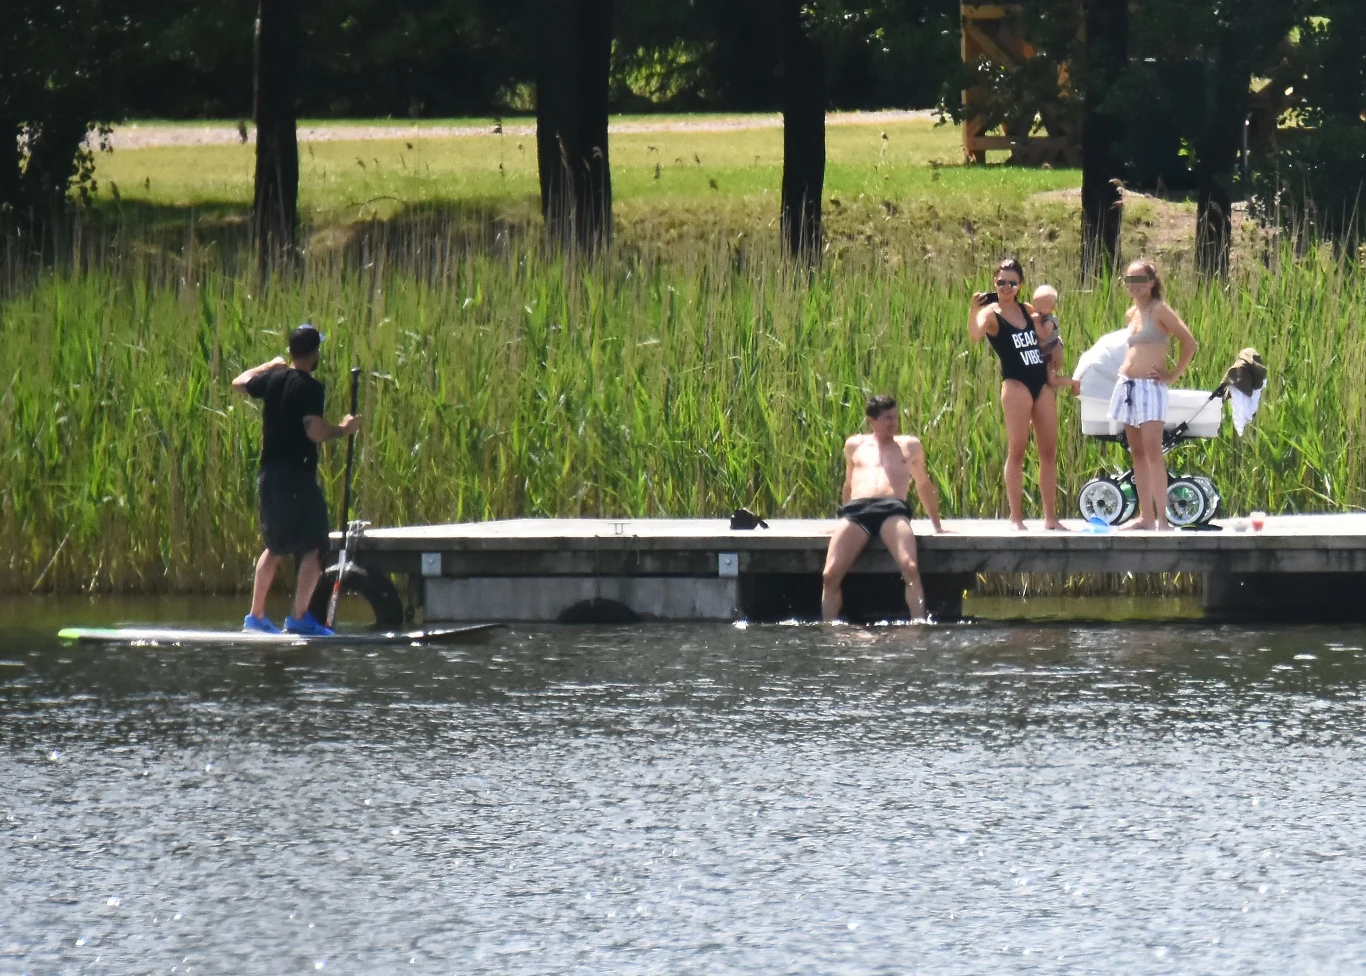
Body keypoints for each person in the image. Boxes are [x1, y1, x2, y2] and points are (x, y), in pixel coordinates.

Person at [231, 323, 361, 634]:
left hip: (269, 475)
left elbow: (239, 382)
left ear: (290, 352)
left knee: (275, 546)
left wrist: (269, 365)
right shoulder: (311, 388)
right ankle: (299, 619)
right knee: (316, 545)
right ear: (314, 354)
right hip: (296, 477)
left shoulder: (274, 378)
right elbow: (313, 430)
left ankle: (256, 617)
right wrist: (343, 429)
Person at [968, 259, 1076, 531]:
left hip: (1040, 380)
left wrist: (1057, 345)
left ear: (1020, 285)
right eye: (1001, 282)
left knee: (1048, 450)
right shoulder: (991, 314)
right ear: (994, 283)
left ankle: (1051, 517)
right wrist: (973, 311)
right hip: (1016, 383)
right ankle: (1016, 518)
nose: (1006, 287)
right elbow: (974, 337)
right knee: (1018, 448)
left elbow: (1047, 332)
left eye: (1012, 282)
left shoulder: (1027, 309)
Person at [821, 394, 944, 622]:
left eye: (896, 417)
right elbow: (849, 483)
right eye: (887, 418)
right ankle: (829, 628)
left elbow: (923, 484)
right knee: (830, 575)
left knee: (910, 567)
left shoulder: (910, 446)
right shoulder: (854, 445)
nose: (894, 423)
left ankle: (918, 624)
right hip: (857, 511)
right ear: (872, 420)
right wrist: (842, 520)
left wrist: (937, 524)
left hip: (892, 510)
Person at [1108, 260, 1197, 531]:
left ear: (1151, 282)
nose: (1133, 286)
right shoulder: (1131, 312)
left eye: (1139, 280)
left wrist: (1172, 375)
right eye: (1128, 280)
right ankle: (1145, 516)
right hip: (1128, 386)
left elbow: (1189, 342)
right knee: (1136, 451)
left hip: (1150, 387)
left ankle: (1163, 519)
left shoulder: (1160, 310)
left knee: (1153, 451)